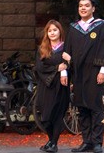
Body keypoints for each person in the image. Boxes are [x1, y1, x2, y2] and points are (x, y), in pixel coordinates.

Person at [62, 0, 104, 153]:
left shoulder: (100, 26)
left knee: (95, 108)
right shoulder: (73, 27)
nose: (83, 8)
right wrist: (65, 71)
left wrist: (103, 70)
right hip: (78, 73)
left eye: (86, 5)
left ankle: (97, 142)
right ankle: (86, 141)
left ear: (93, 8)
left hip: (94, 72)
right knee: (82, 107)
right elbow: (66, 51)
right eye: (80, 6)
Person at [36, 20, 71, 153]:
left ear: (60, 31)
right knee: (45, 117)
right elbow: (40, 67)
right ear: (47, 33)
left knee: (57, 115)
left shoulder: (66, 48)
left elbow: (72, 66)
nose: (52, 33)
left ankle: (54, 144)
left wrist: (68, 62)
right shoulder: (42, 49)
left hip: (61, 86)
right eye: (50, 30)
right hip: (46, 85)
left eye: (55, 30)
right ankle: (51, 140)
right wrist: (57, 68)